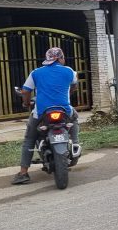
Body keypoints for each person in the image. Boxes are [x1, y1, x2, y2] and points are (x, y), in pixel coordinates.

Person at [12, 47, 80, 185]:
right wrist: (67, 93)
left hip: (42, 112)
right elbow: (74, 86)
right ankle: (75, 143)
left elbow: (25, 91)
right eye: (63, 57)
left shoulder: (36, 73)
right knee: (74, 118)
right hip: (64, 110)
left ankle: (23, 173)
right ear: (60, 58)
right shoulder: (69, 71)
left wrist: (26, 103)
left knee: (29, 138)